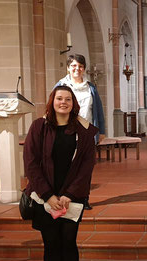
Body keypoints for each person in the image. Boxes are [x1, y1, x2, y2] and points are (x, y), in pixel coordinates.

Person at [23, 86, 98, 261]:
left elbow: (86, 166)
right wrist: (48, 195)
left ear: (73, 103)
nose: (63, 102)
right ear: (52, 101)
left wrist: (68, 195)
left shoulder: (82, 130)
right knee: (51, 244)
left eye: (67, 99)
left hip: (71, 197)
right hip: (44, 196)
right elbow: (31, 163)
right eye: (59, 98)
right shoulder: (39, 126)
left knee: (68, 242)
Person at [56, 54, 105, 210]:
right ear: (68, 68)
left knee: (86, 167)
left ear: (84, 69)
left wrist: (101, 130)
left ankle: (84, 198)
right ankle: (66, 198)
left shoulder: (90, 87)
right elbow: (52, 107)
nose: (77, 69)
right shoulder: (61, 85)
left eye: (81, 66)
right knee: (66, 166)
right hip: (65, 131)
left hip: (86, 131)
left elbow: (98, 110)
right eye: (74, 66)